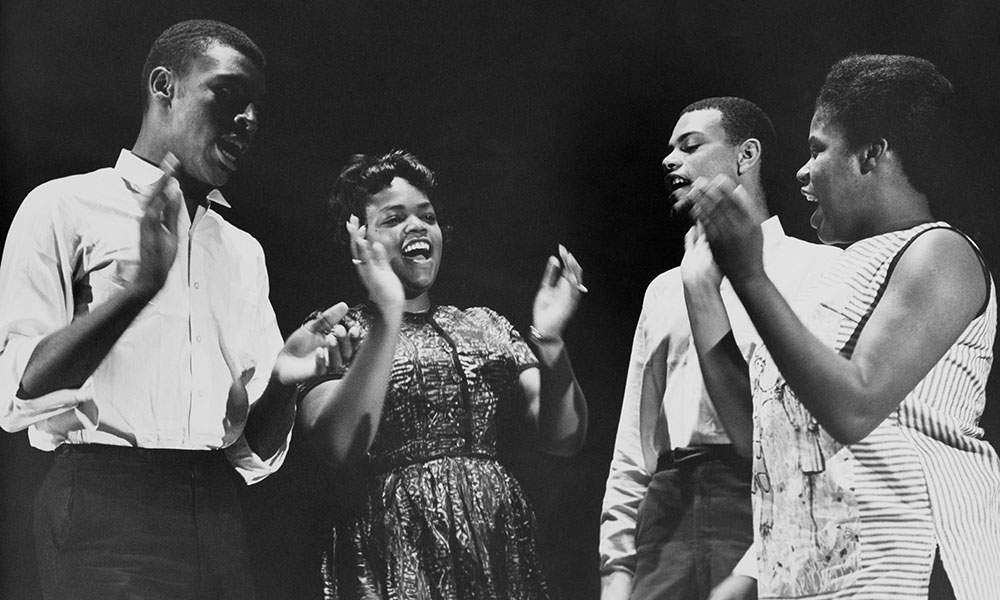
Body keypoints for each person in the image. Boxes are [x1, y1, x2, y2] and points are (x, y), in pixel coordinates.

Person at [0, 19, 351, 600]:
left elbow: (251, 456)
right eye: (230, 95)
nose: (250, 121)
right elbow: (21, 393)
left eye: (258, 108)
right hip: (101, 503)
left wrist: (286, 383)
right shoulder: (61, 206)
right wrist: (137, 288)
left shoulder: (242, 250)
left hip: (214, 506)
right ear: (165, 86)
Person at [689, 54, 1000, 600]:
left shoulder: (938, 252)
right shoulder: (829, 276)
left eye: (817, 149)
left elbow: (854, 406)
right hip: (822, 580)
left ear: (871, 154)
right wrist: (702, 290)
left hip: (910, 571)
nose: (802, 172)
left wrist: (750, 274)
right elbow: (757, 437)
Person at [295, 150, 589, 599]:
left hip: (495, 538)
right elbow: (337, 445)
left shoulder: (485, 323)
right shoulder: (338, 331)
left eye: (426, 216)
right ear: (359, 240)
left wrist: (550, 342)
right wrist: (388, 312)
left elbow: (563, 438)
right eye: (393, 219)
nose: (416, 226)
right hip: (394, 544)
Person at [598, 97, 841, 600]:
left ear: (745, 155)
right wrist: (616, 573)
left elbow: (814, 437)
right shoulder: (664, 290)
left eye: (690, 146)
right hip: (668, 516)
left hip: (765, 502)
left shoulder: (817, 272)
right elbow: (633, 446)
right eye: (669, 151)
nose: (669, 161)